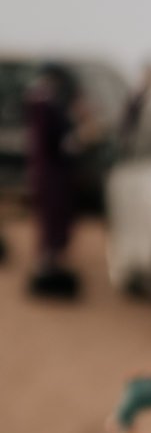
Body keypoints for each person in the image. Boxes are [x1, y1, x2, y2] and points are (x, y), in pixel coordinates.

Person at [24, 63, 82, 299]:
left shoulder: (40, 104)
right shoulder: (44, 106)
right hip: (52, 173)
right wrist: (80, 137)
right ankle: (48, 267)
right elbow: (57, 143)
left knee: (53, 218)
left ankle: (49, 264)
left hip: (49, 172)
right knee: (52, 219)